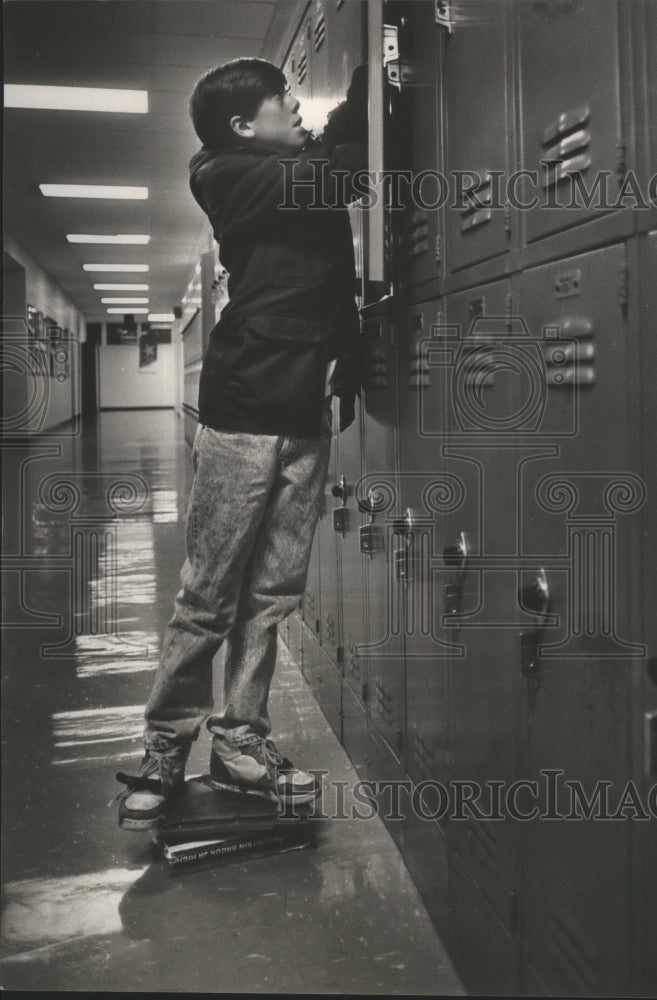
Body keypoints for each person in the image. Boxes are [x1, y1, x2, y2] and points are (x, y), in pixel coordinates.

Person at [116, 57, 367, 831]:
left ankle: (240, 742)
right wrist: (372, 79)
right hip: (244, 407)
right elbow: (335, 169)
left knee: (272, 593)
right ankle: (165, 744)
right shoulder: (224, 173)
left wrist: (347, 366)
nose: (295, 107)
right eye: (281, 101)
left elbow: (332, 277)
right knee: (209, 594)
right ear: (240, 124)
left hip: (302, 410)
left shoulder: (288, 169)